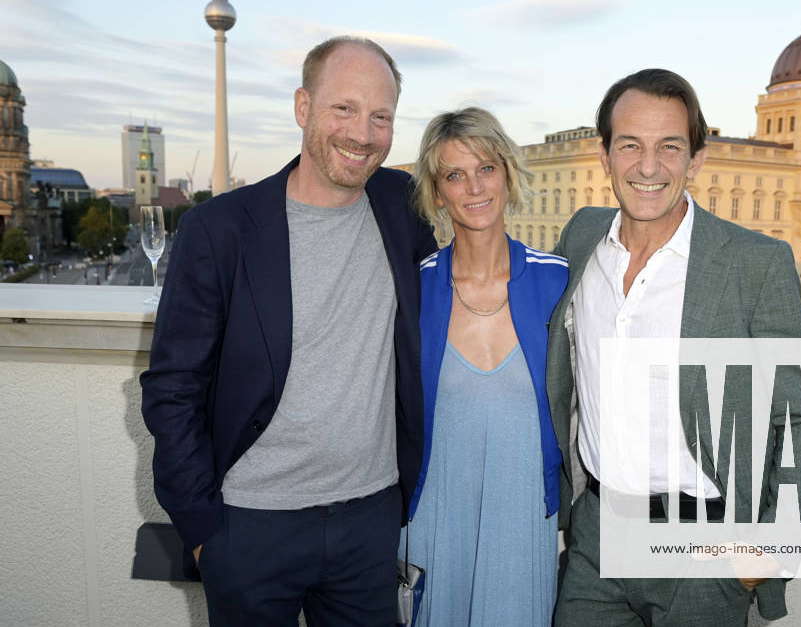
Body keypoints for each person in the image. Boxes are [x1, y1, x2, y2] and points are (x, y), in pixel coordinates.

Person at [140, 37, 437, 626]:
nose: (363, 133)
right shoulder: (220, 229)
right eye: (344, 109)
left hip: (370, 522)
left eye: (381, 116)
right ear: (303, 107)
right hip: (250, 526)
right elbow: (172, 387)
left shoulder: (402, 206)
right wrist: (204, 533)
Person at [547, 69, 801, 626]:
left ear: (695, 160)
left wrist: (773, 547)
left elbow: (800, 416)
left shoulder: (753, 263)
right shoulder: (582, 238)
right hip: (596, 536)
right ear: (604, 155)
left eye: (669, 147)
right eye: (630, 145)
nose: (648, 167)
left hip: (707, 546)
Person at [404, 107, 567, 626]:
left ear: (507, 174)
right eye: (455, 174)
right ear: (436, 190)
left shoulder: (558, 281)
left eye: (486, 168)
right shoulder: (415, 287)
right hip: (433, 516)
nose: (474, 186)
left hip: (525, 519)